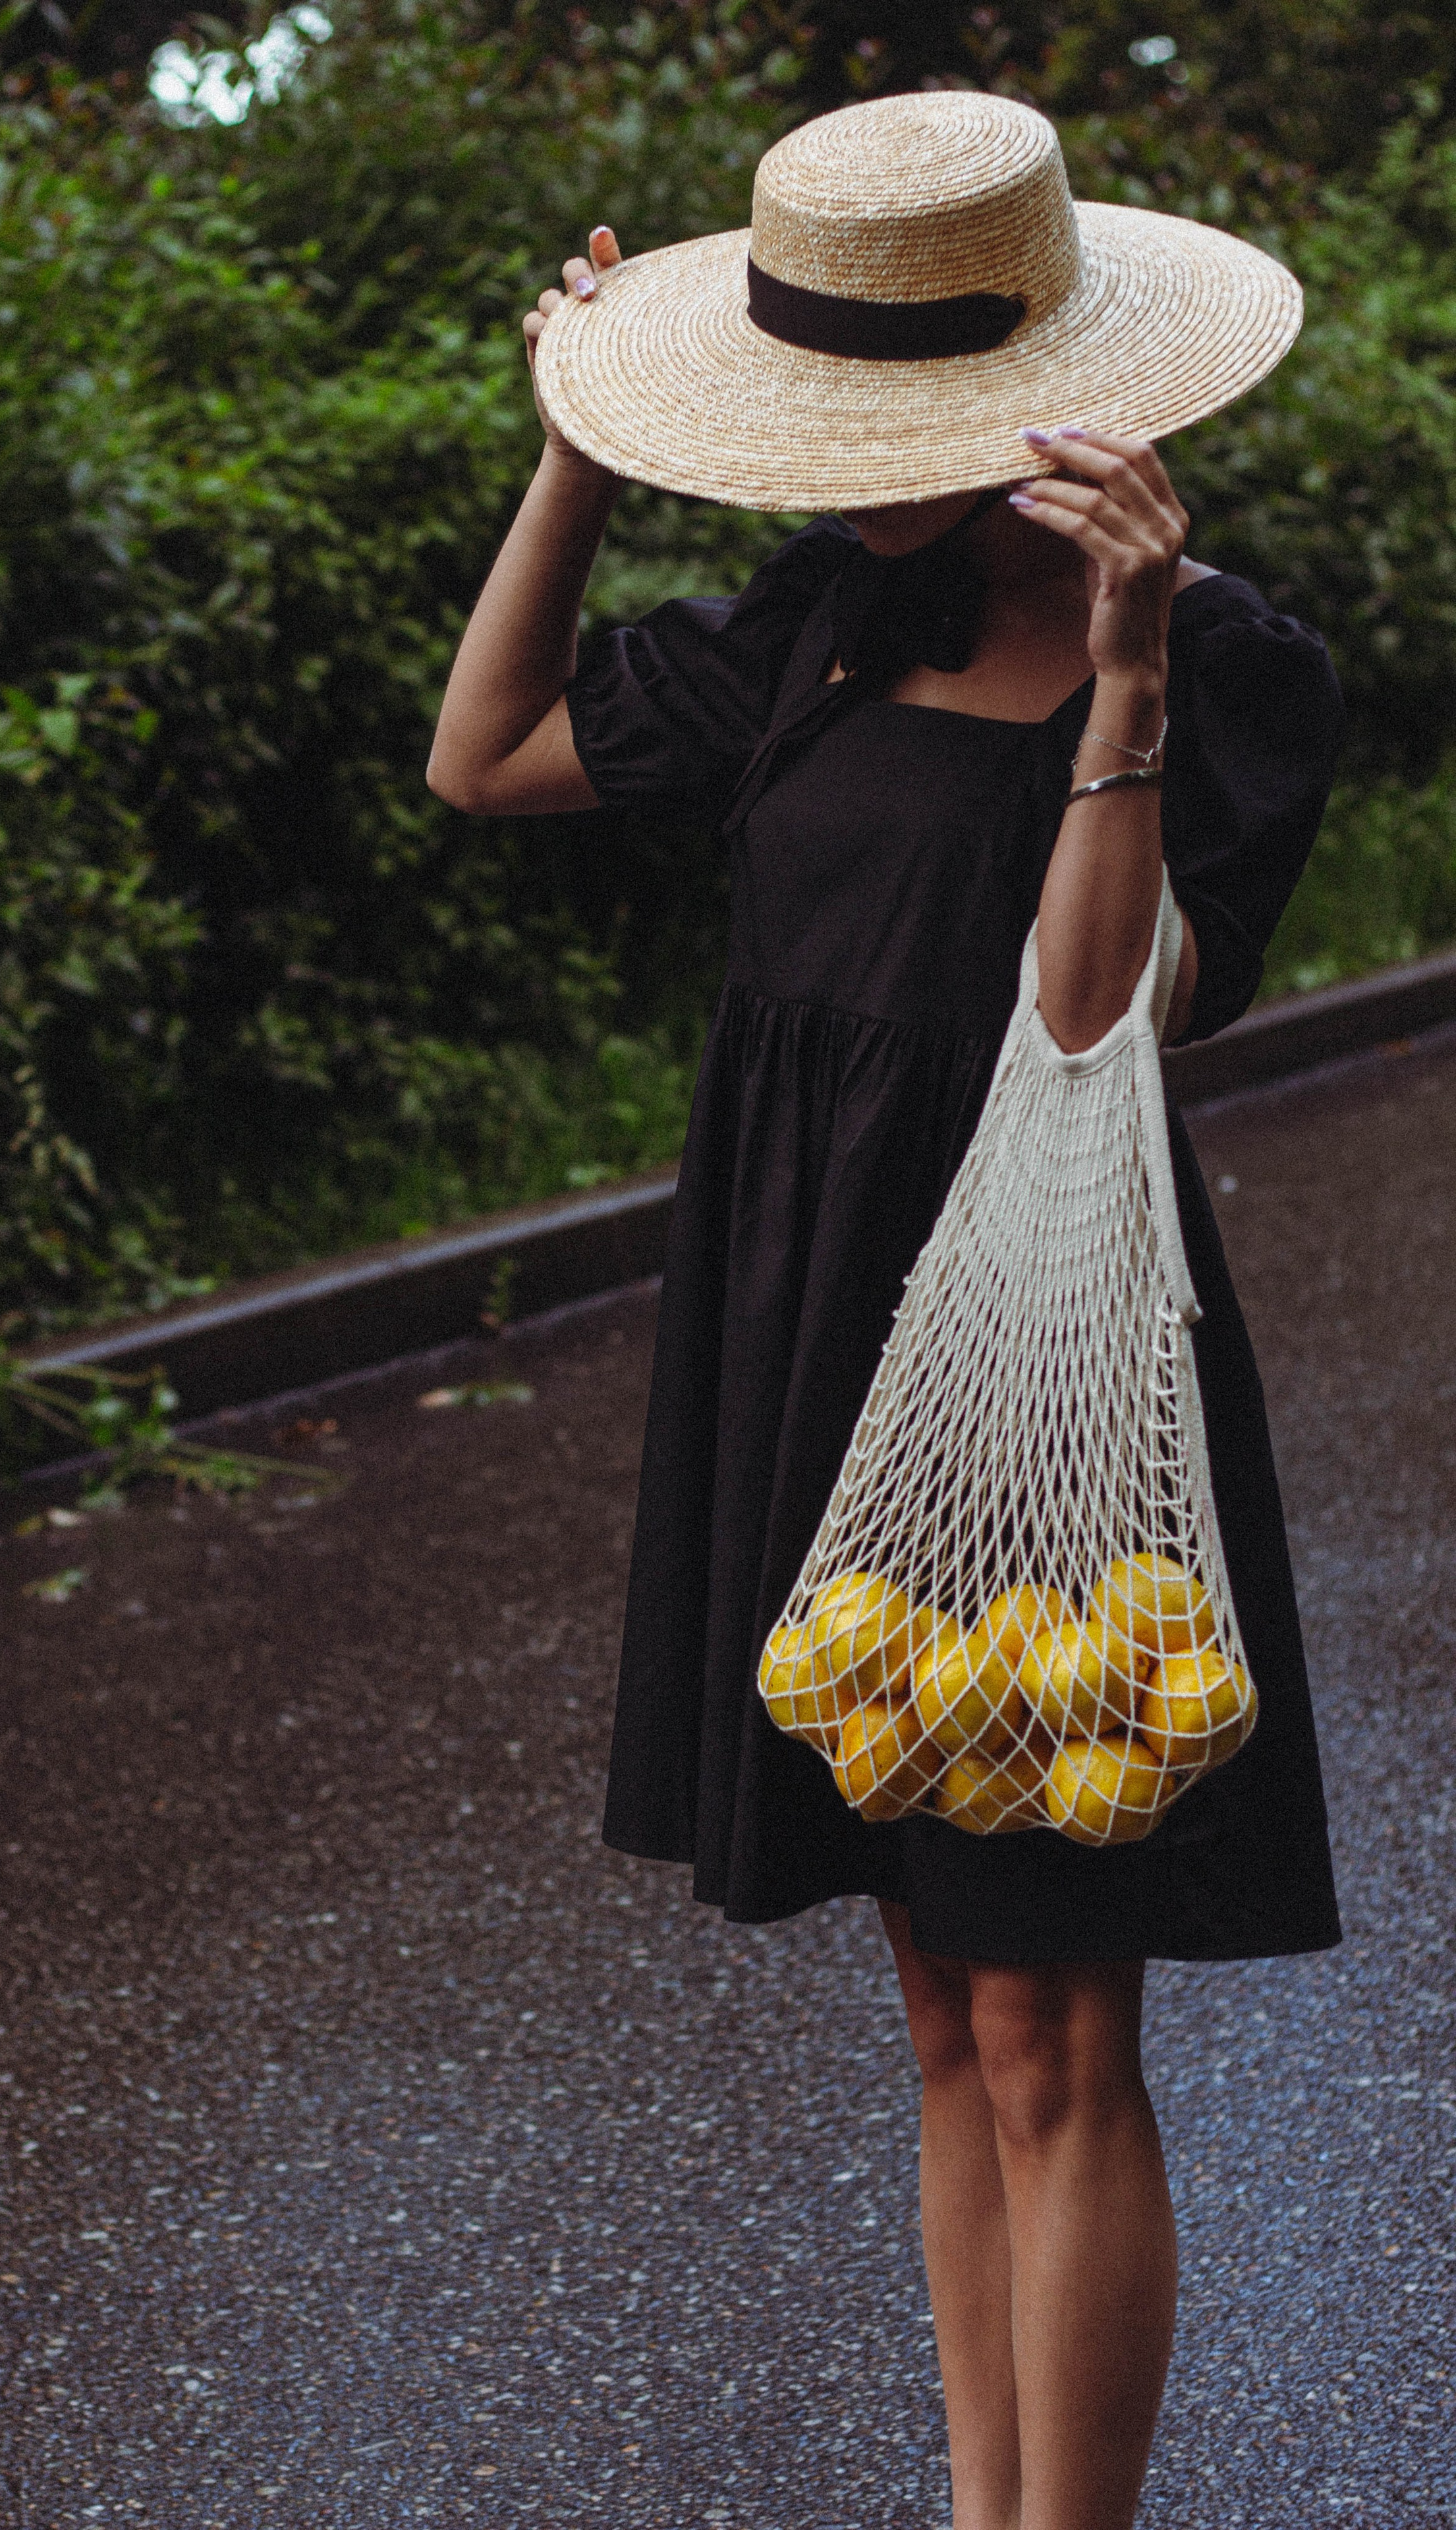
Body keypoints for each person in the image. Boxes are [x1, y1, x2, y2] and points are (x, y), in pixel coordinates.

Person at [429, 93, 1343, 2530]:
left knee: (1059, 2026)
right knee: (944, 2010)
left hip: (1041, 1361)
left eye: (883, 434)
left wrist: (1127, 667)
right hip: (811, 1336)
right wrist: (575, 461)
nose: (842, 477)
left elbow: (1098, 1025)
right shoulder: (830, 617)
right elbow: (485, 754)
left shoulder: (1228, 663)